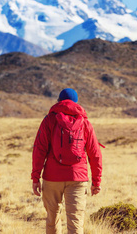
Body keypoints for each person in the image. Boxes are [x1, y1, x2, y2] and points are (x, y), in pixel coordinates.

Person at [31, 88, 103, 234]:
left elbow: (39, 150)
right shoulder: (85, 123)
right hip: (78, 177)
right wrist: (96, 182)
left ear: (59, 101)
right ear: (76, 102)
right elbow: (95, 154)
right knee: (75, 222)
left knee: (52, 219)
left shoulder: (49, 120)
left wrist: (35, 177)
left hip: (52, 178)